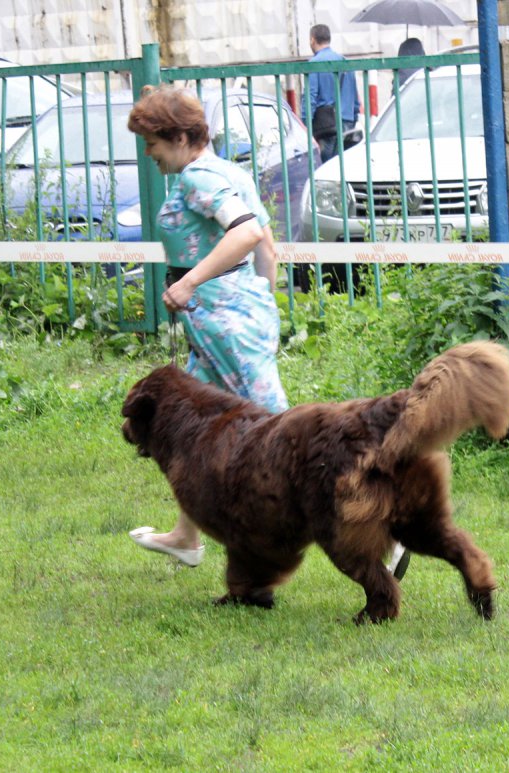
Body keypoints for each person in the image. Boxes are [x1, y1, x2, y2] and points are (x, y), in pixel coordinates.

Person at [125, 85, 288, 568]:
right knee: (188, 426)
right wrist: (260, 305)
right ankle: (186, 534)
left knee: (285, 435)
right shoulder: (228, 171)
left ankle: (378, 524)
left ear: (177, 136)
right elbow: (267, 252)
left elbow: (247, 232)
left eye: (151, 143)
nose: (148, 154)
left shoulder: (198, 178)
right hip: (227, 320)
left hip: (224, 325)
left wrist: (191, 283)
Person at [302, 23, 360, 163]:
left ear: (312, 39)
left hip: (326, 126)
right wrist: (353, 118)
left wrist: (305, 124)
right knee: (341, 168)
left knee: (326, 169)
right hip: (347, 123)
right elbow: (356, 100)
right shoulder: (345, 63)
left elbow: (310, 97)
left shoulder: (314, 64)